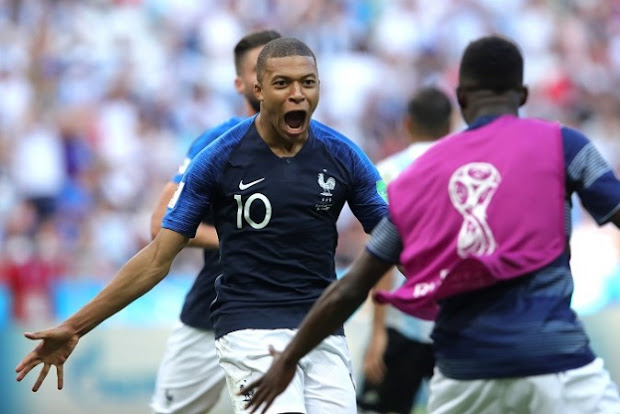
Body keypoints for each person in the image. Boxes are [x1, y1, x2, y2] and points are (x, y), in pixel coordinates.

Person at [240, 35, 620, 414]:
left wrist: (288, 358)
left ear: (461, 98)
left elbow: (353, 286)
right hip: (555, 359)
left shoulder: (419, 175)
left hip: (464, 370)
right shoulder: (564, 145)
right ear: (523, 94)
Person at [15, 37, 388, 414]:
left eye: (307, 83)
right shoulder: (218, 157)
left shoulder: (344, 156)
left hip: (320, 328)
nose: (297, 94)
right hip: (249, 326)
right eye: (282, 84)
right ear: (257, 89)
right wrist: (75, 326)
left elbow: (393, 237)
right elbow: (157, 256)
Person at [148, 30, 281, 414]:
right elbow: (160, 223)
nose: (270, 79)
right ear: (240, 84)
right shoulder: (217, 142)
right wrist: (233, 239)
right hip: (213, 309)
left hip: (286, 313)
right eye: (259, 70)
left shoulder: (322, 147)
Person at [357, 86, 452, 414]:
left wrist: (377, 332)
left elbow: (381, 253)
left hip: (400, 320)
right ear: (450, 124)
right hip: (454, 320)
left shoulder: (386, 173)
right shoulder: (466, 169)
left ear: (408, 123)